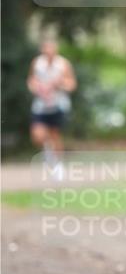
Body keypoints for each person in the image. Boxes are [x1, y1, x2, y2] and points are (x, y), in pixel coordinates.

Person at [27, 38, 77, 178]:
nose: (49, 51)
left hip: (58, 105)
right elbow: (31, 80)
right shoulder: (37, 63)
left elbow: (72, 84)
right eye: (46, 48)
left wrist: (58, 84)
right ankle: (48, 151)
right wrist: (36, 88)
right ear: (42, 49)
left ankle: (58, 166)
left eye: (51, 48)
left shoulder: (63, 64)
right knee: (37, 136)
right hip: (41, 106)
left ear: (56, 49)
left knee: (55, 135)